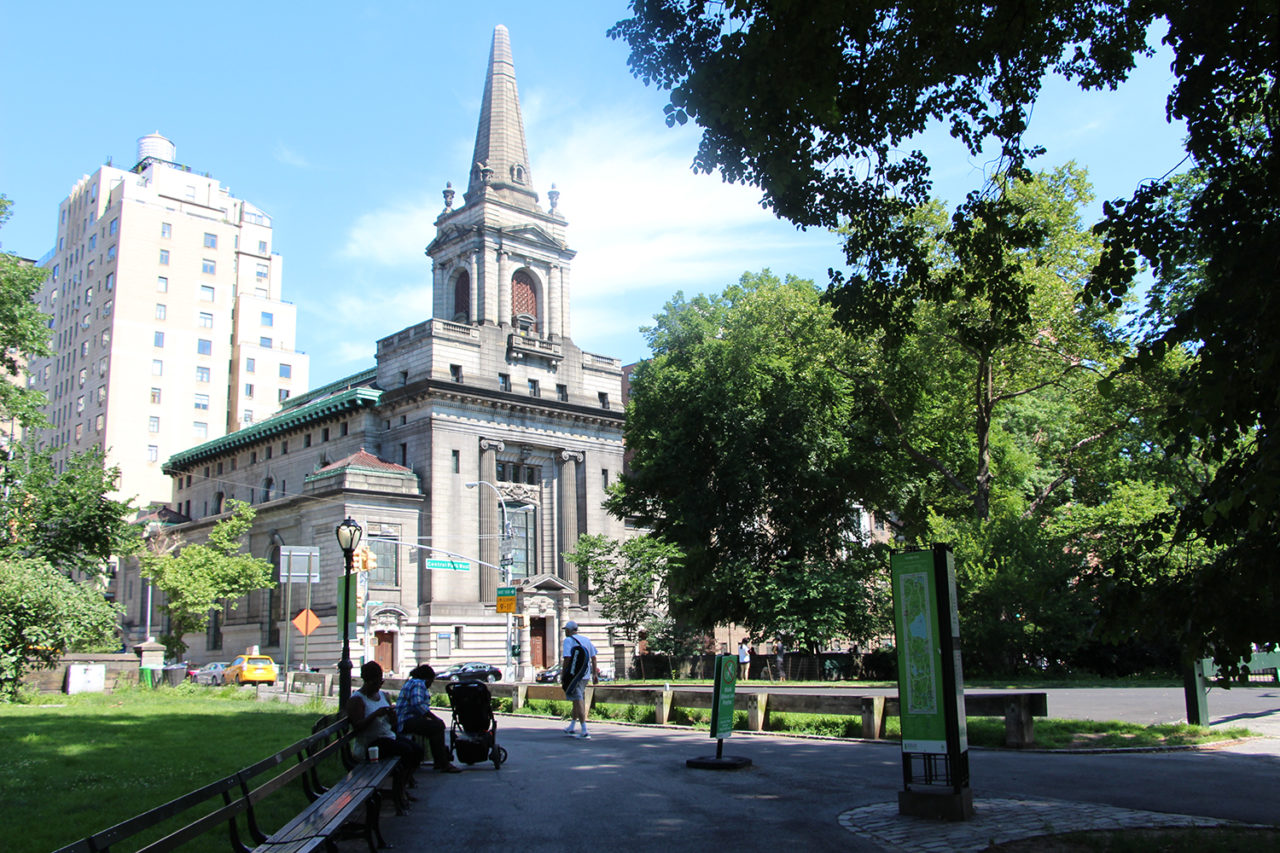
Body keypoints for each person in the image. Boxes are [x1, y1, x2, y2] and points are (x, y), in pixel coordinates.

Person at [346, 661, 425, 790]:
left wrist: (392, 716)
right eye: (376, 683)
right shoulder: (357, 699)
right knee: (407, 751)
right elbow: (358, 727)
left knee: (418, 751)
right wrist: (376, 714)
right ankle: (398, 792)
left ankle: (402, 787)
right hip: (371, 744)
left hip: (388, 737)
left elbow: (392, 725)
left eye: (381, 682)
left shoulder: (383, 696)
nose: (379, 686)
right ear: (367, 681)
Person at [396, 664, 462, 773]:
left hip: (402, 720)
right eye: (432, 681)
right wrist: (434, 718)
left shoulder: (411, 682)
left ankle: (439, 760)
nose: (430, 685)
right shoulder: (419, 683)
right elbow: (418, 704)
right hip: (406, 720)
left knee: (433, 727)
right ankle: (443, 763)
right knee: (438, 726)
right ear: (428, 678)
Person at [560, 621, 599, 739]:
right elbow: (593, 657)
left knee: (578, 699)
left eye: (565, 630)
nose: (565, 632)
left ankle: (584, 729)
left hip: (574, 676)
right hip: (585, 675)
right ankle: (572, 726)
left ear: (568, 630)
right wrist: (594, 674)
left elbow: (567, 659)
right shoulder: (586, 640)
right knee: (577, 699)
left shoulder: (568, 641)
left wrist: (563, 674)